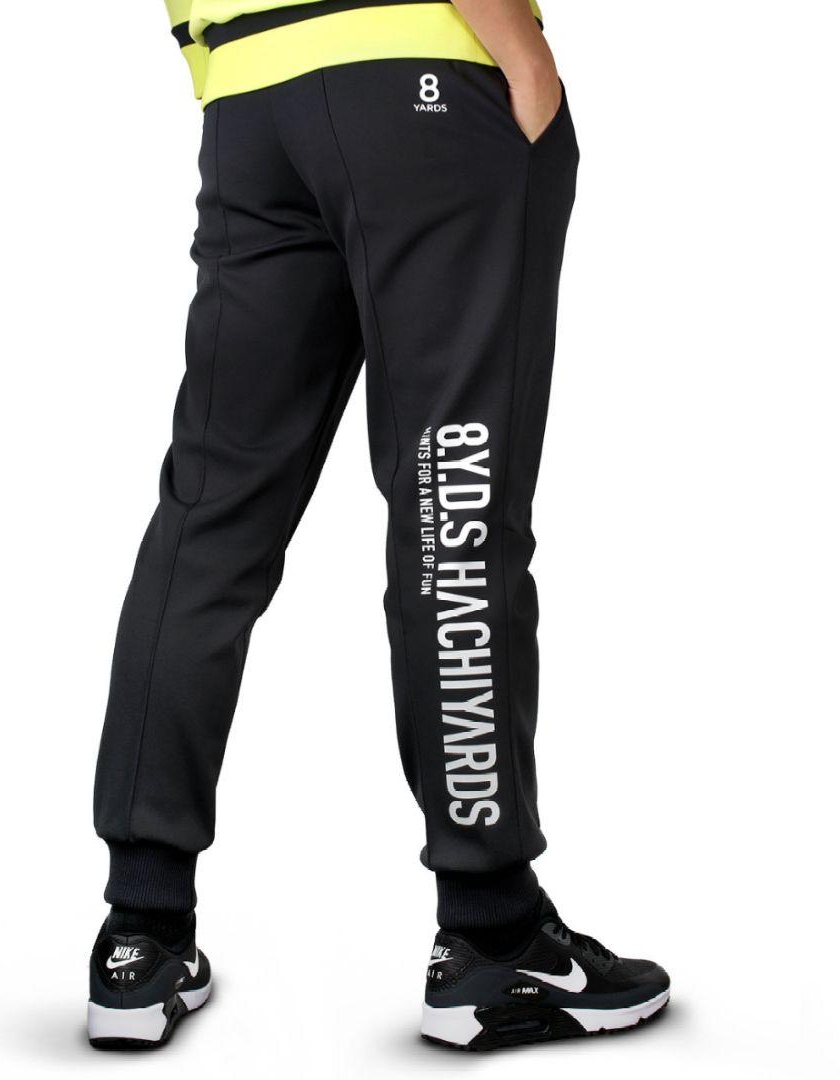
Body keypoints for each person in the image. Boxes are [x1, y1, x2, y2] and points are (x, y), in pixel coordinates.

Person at [87, 0, 669, 1051]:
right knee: (455, 497)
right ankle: (494, 932)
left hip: (249, 95)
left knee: (211, 514)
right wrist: (521, 52)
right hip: (422, 72)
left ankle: (141, 932)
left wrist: (225, 66)